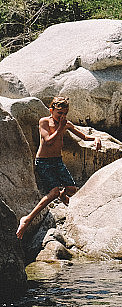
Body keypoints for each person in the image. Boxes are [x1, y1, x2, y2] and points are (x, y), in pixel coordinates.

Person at [16, 96, 100, 239]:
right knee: (53, 192)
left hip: (57, 161)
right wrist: (61, 127)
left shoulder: (65, 123)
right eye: (59, 113)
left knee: (72, 190)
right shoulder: (44, 122)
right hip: (43, 162)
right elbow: (48, 141)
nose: (62, 117)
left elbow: (84, 137)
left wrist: (95, 139)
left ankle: (62, 194)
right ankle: (27, 219)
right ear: (51, 110)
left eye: (65, 114)